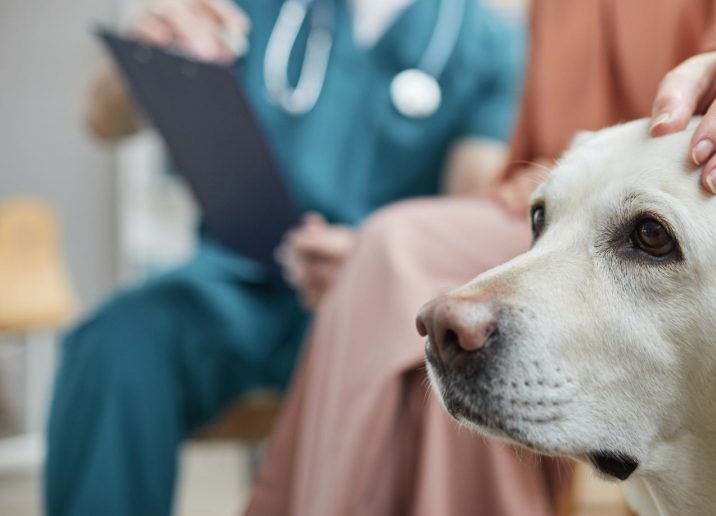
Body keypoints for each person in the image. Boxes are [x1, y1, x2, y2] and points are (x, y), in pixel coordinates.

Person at [243, 0, 716, 515]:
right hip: (547, 229)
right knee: (414, 284)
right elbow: (526, 175)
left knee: (402, 254)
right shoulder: (543, 11)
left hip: (672, 240)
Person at [46, 1, 525, 515]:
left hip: (376, 306)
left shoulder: (488, 42)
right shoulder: (260, 8)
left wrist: (375, 258)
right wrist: (149, 51)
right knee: (115, 343)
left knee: (428, 388)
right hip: (236, 286)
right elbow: (101, 119)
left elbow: (467, 203)